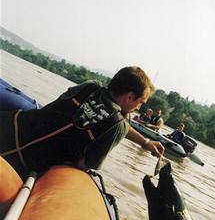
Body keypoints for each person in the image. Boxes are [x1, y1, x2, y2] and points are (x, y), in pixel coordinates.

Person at [0, 66, 164, 179]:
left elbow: (95, 115)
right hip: (20, 160)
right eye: (141, 102)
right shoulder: (116, 126)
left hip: (10, 124)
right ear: (129, 97)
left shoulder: (89, 87)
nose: (139, 107)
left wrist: (145, 141)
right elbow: (82, 165)